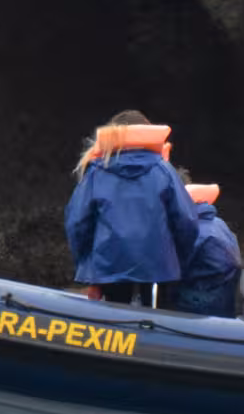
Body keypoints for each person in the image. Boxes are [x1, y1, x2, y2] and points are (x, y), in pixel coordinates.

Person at [64, 110, 200, 305]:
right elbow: (187, 221)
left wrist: (89, 272)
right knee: (155, 326)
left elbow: (77, 224)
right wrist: (178, 262)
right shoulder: (164, 170)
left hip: (108, 268)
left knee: (114, 326)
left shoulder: (96, 173)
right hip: (159, 270)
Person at [170, 179, 241, 317]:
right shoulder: (219, 224)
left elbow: (177, 268)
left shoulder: (196, 232)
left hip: (199, 303)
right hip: (224, 298)